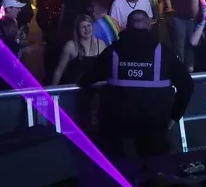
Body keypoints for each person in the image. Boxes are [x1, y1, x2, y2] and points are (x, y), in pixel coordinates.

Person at [79, 10, 194, 159]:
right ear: (149, 25)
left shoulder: (112, 51)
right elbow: (187, 85)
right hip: (154, 128)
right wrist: (174, 116)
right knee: (156, 169)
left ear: (126, 27)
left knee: (120, 170)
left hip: (118, 129)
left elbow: (86, 80)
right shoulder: (163, 52)